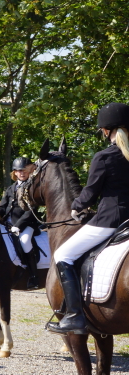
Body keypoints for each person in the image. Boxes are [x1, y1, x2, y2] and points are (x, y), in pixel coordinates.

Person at [48, 102, 129, 335]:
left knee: (63, 254)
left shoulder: (104, 157)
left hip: (110, 220)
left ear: (106, 131)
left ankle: (74, 315)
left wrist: (76, 206)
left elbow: (91, 192)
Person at [0, 157, 41, 270]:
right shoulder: (11, 188)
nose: (22, 173)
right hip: (8, 223)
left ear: (29, 171)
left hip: (27, 224)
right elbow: (3, 205)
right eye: (19, 170)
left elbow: (32, 210)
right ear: (15, 172)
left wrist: (18, 226)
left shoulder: (33, 188)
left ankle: (33, 273)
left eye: (24, 170)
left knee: (24, 242)